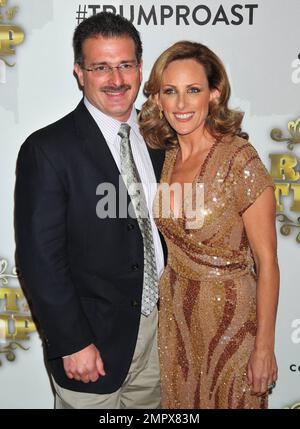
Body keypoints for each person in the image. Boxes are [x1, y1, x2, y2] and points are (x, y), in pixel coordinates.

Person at [14, 12, 166, 409]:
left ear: (139, 67)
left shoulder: (161, 139)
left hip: (159, 340)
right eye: (101, 67)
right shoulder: (48, 150)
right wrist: (72, 342)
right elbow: (38, 259)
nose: (116, 80)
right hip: (91, 344)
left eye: (124, 65)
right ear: (79, 73)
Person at [139, 41, 279, 409]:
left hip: (233, 325)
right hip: (178, 324)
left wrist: (264, 348)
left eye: (193, 90)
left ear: (214, 94)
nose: (181, 104)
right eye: (171, 91)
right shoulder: (164, 158)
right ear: (158, 98)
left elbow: (267, 263)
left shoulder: (239, 159)